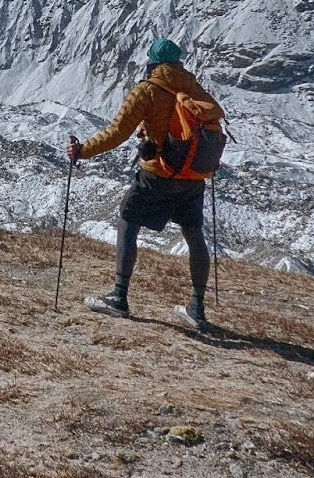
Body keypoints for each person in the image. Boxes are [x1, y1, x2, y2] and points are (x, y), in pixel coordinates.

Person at [66, 38, 223, 330]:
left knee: (128, 219)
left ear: (152, 61)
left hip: (158, 174)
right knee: (193, 234)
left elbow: (117, 132)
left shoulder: (147, 90)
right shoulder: (193, 88)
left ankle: (119, 296)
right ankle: (197, 307)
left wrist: (83, 150)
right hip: (194, 176)